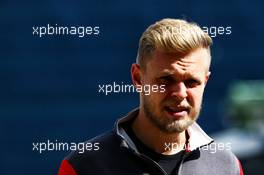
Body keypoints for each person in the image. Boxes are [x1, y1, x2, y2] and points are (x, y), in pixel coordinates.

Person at [58, 18, 244, 175]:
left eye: (192, 82)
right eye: (166, 80)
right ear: (138, 78)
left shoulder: (227, 166)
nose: (180, 93)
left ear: (205, 81)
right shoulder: (85, 166)